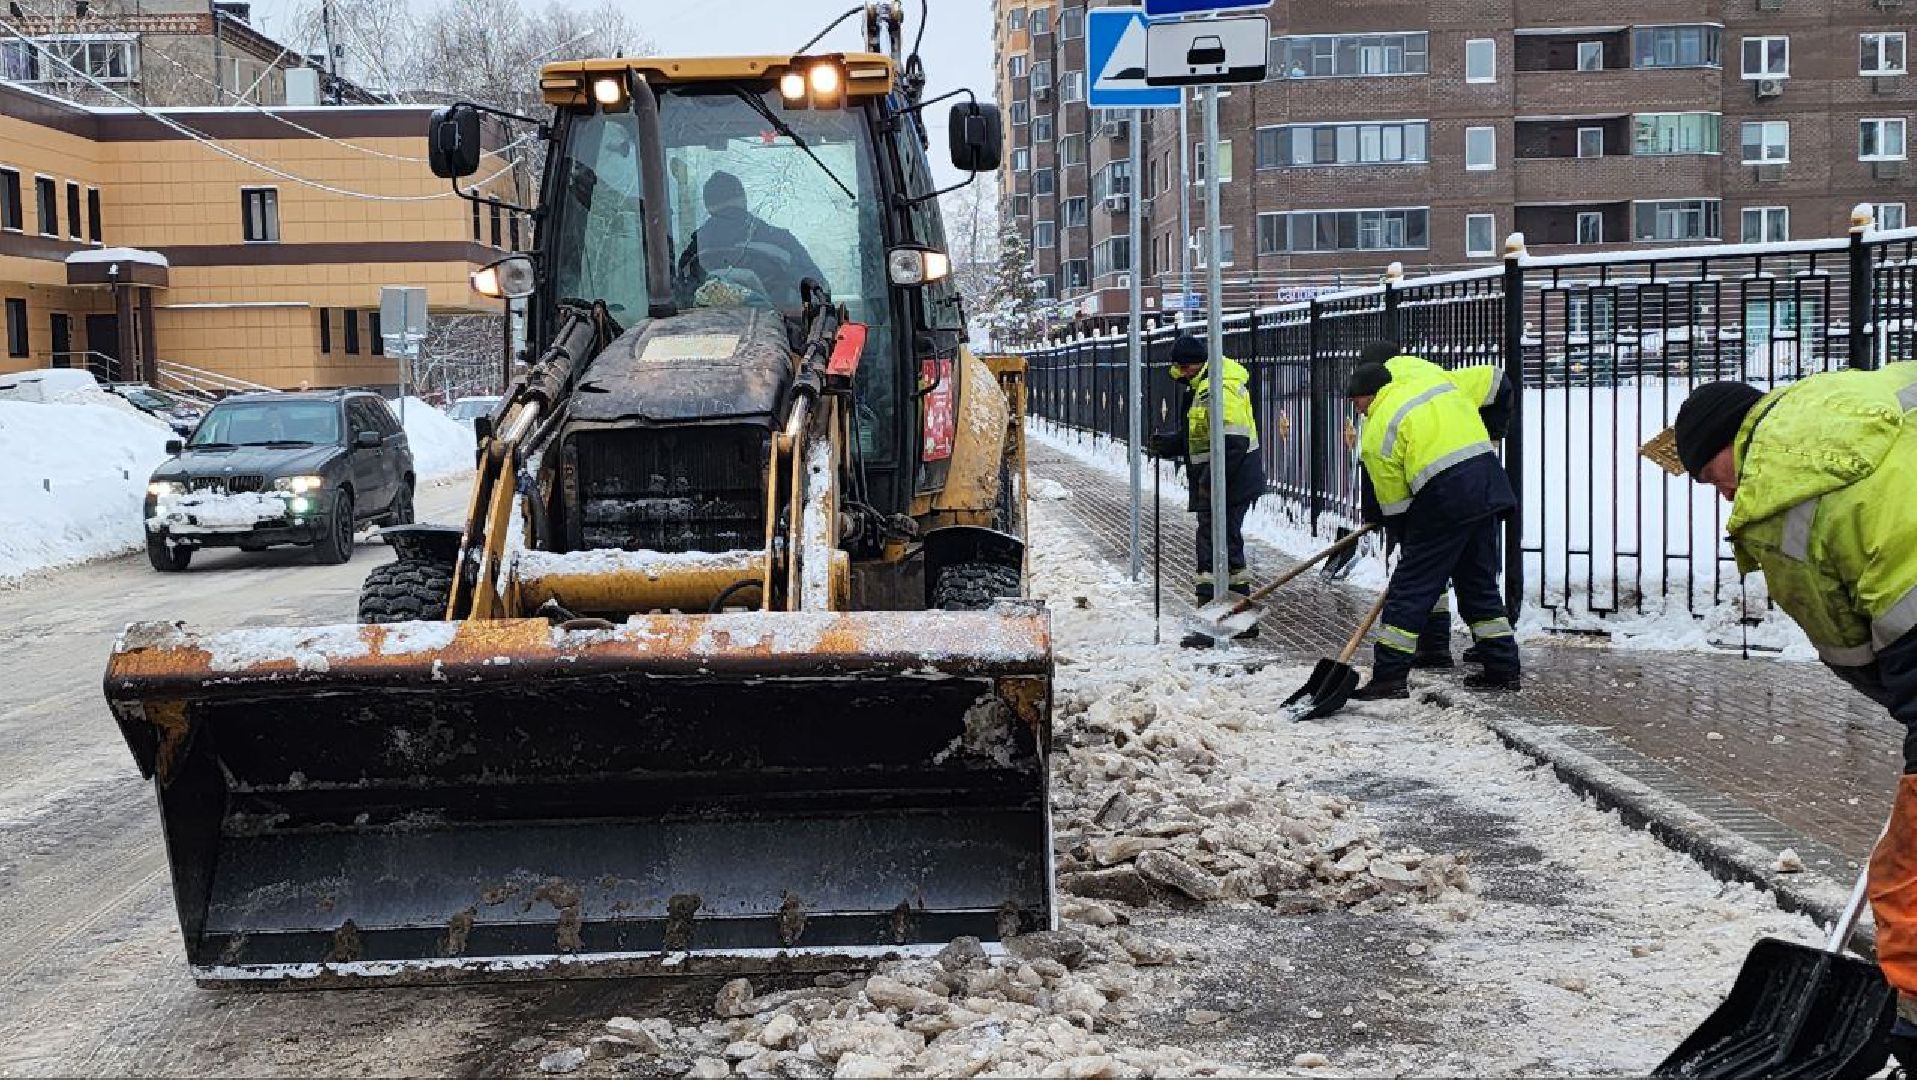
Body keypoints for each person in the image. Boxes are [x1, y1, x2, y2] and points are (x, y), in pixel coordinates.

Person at [1655, 366, 1917, 1066]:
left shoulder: (1776, 494)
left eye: (1710, 474)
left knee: (1905, 874)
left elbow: (1846, 643)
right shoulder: (1847, 395)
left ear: (1728, 441)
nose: (1720, 492)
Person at [1347, 341, 1520, 698]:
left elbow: (1396, 508)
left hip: (1446, 498)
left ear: (1371, 394)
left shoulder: (1378, 433)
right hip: (1488, 485)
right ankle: (1502, 667)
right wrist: (1494, 433)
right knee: (1477, 582)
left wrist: (1410, 545)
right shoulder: (1430, 379)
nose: (1356, 410)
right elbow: (1496, 382)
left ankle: (1390, 676)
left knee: (1410, 587)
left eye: (1357, 401)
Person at [1148, 334, 1265, 646]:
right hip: (1221, 478)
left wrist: (1211, 483)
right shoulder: (1202, 385)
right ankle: (1239, 619)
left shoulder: (1220, 386)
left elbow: (1232, 441)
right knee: (1223, 544)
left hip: (1231, 479)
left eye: (1186, 367)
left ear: (1197, 364)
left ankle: (1215, 622)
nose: (1182, 373)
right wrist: (1172, 443)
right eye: (1180, 368)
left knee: (1215, 545)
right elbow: (1201, 433)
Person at [680, 170, 828, 307]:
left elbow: (678, 300)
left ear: (708, 206)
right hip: (779, 332)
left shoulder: (692, 253)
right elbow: (820, 294)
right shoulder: (780, 242)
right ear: (743, 199)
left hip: (698, 333)